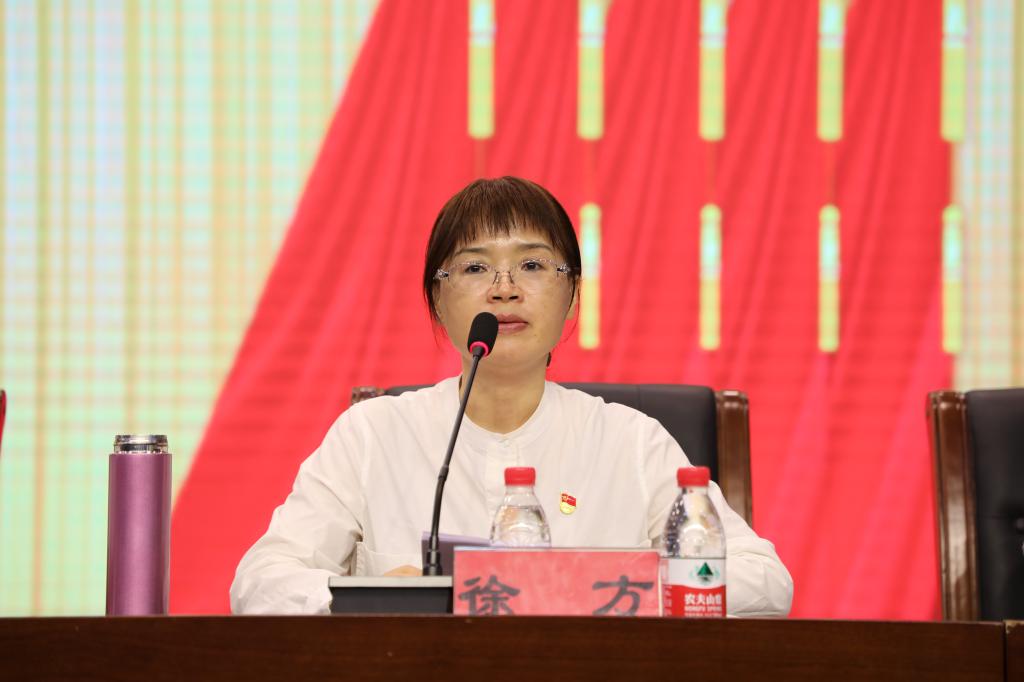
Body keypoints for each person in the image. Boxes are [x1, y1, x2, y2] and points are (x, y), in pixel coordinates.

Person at [230, 176, 793, 615]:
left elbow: (764, 581)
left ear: (572, 297)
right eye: (476, 267)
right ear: (437, 301)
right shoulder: (373, 435)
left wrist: (610, 588)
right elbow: (260, 583)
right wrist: (378, 596)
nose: (505, 289)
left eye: (532, 265)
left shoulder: (631, 442)